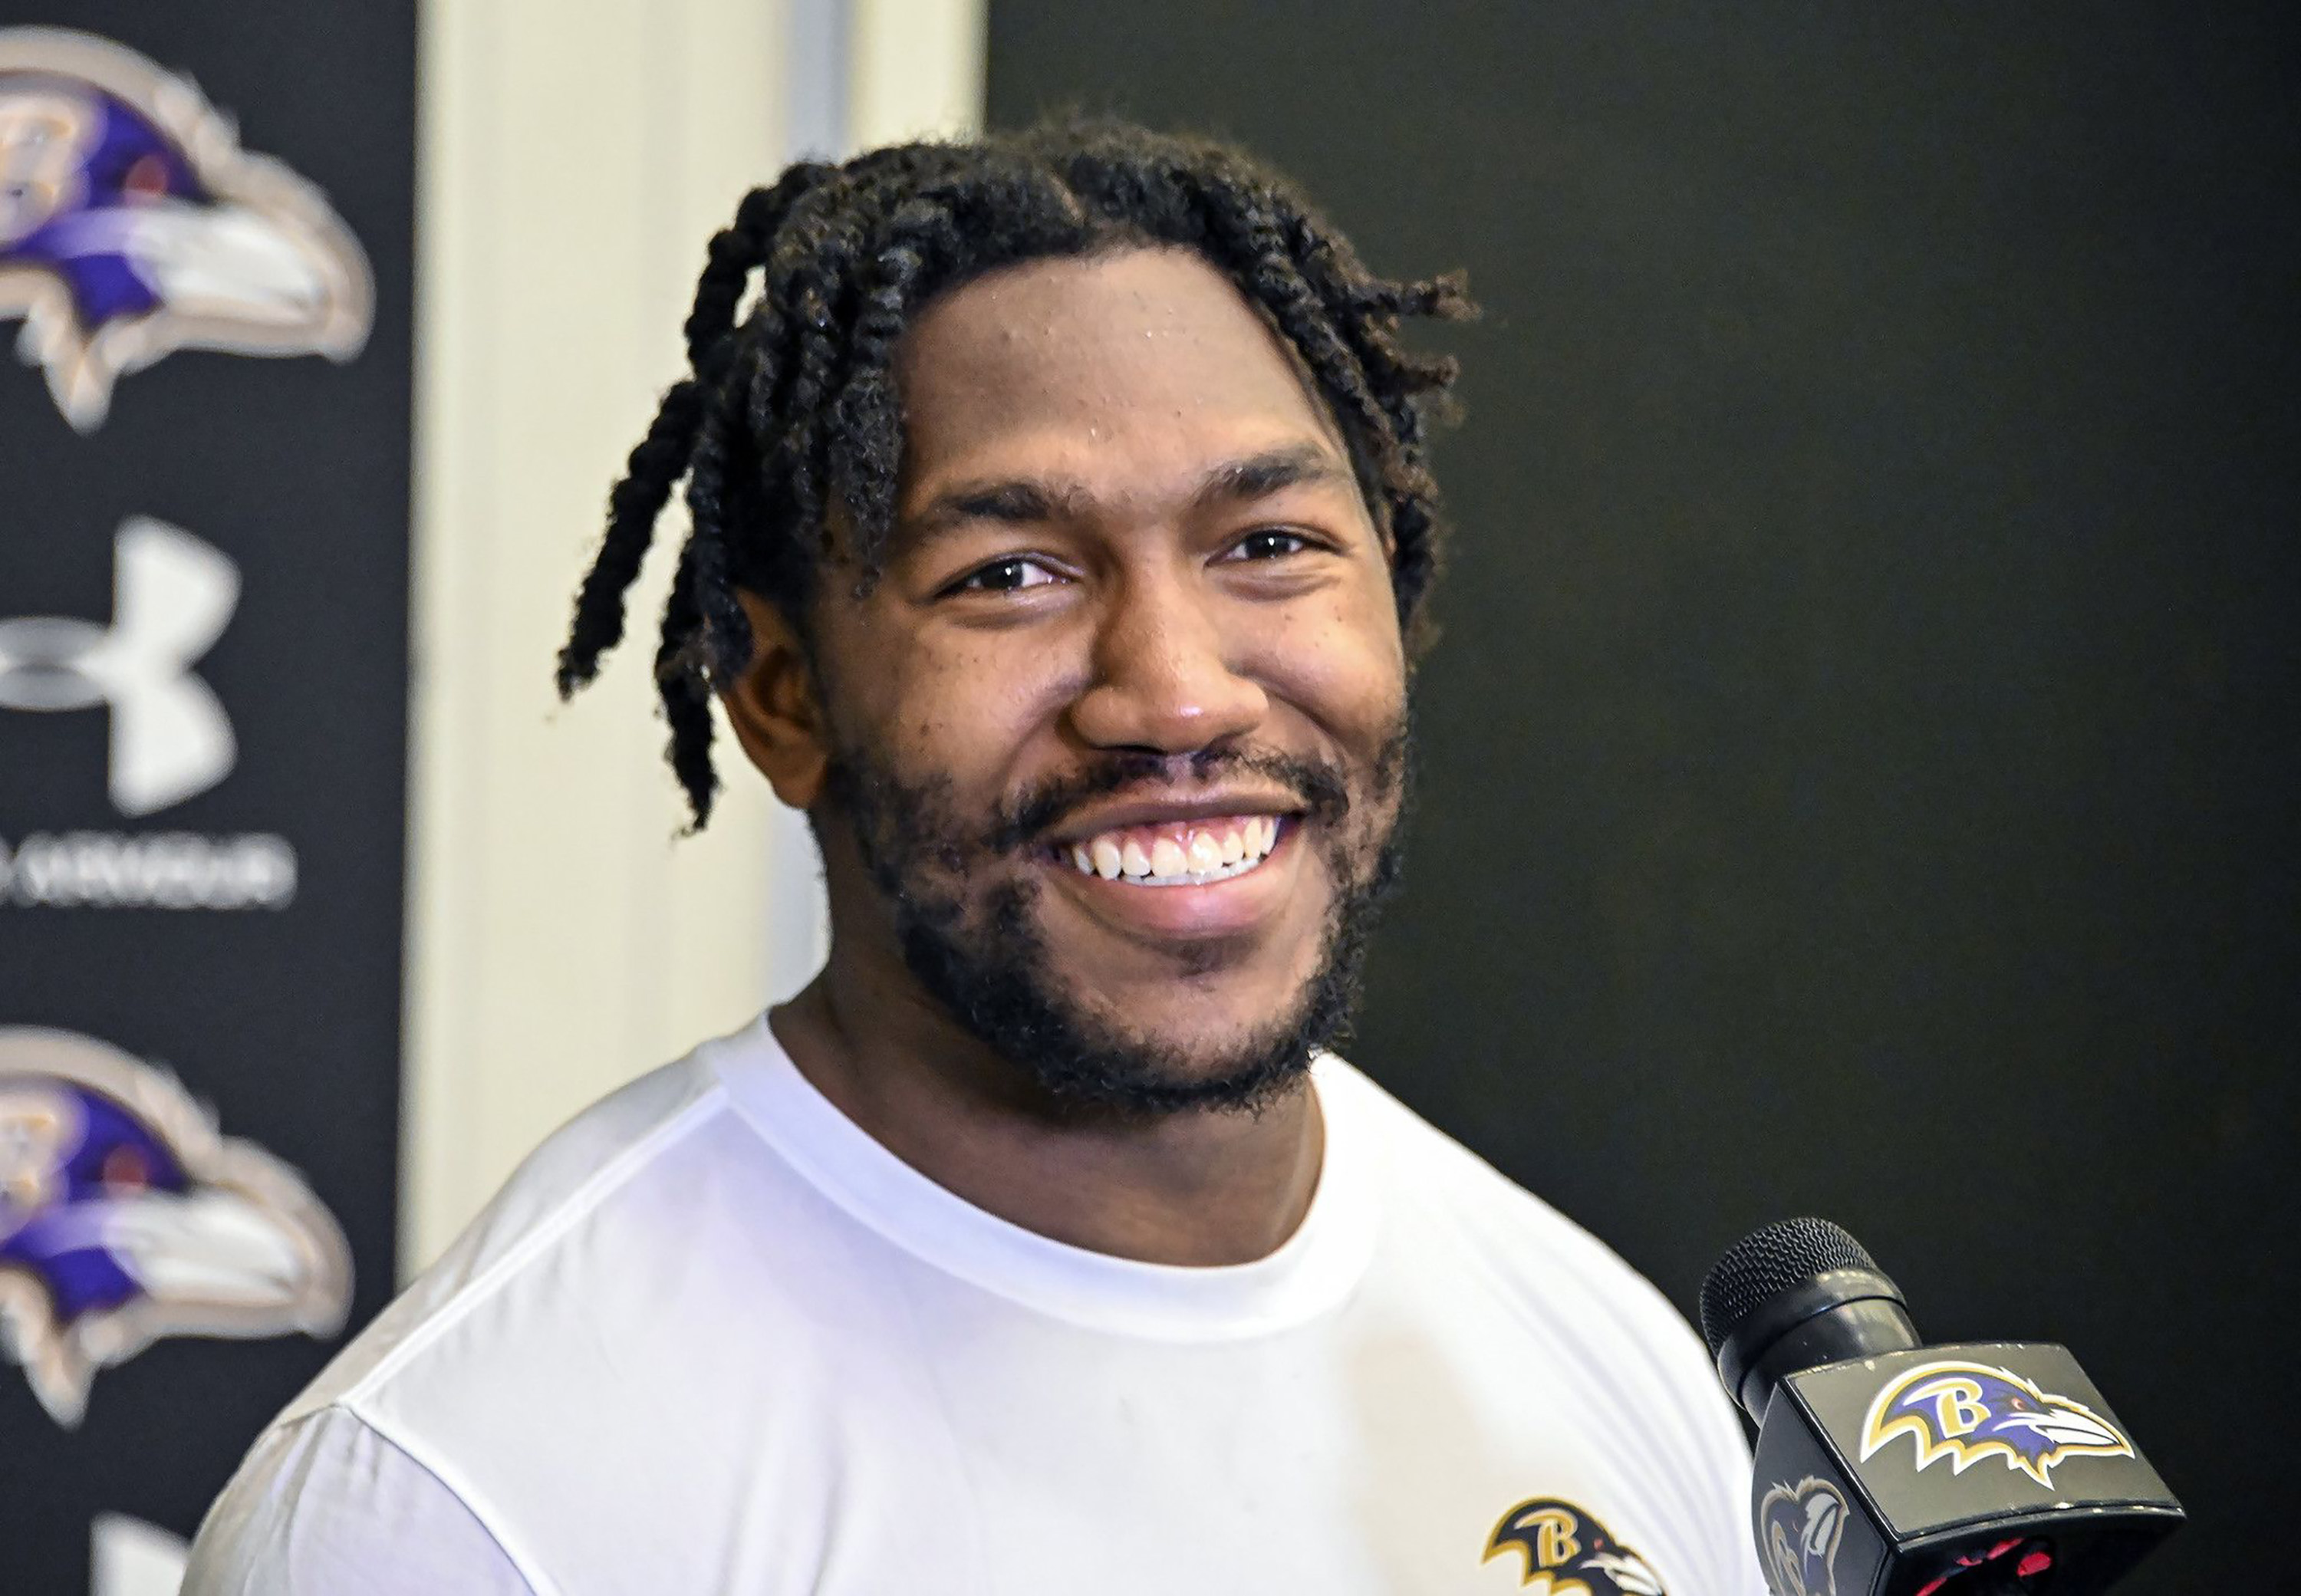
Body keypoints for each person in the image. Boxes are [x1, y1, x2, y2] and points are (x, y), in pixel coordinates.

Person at [185, 119, 1764, 1594]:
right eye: (1009, 573)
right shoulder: (456, 1502)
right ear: (784, 703)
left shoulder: (1601, 1363)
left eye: (1269, 547)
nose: (1177, 692)